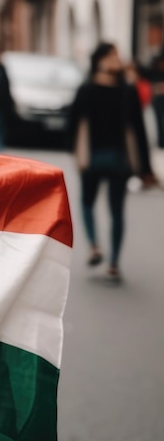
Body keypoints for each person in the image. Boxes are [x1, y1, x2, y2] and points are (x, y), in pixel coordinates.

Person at [67, 42, 157, 283]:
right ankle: (102, 253)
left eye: (117, 55)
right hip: (101, 158)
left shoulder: (119, 89)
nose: (117, 59)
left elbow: (138, 130)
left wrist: (146, 168)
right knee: (97, 205)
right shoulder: (114, 89)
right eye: (112, 55)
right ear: (100, 59)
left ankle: (108, 258)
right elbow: (74, 124)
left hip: (115, 158)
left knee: (108, 208)